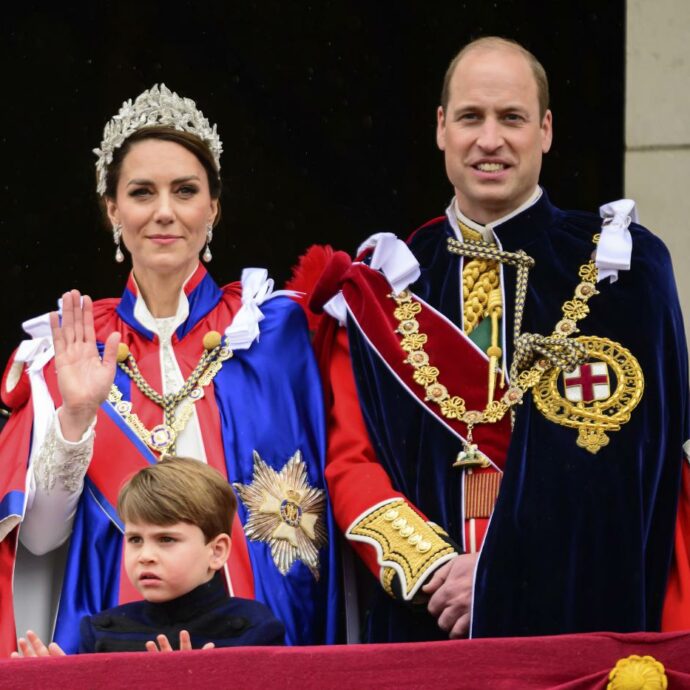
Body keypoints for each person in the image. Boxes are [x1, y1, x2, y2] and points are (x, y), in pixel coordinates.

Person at [307, 37, 689, 641]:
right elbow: (352, 462)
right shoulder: (381, 289)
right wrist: (435, 573)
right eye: (470, 118)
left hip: (574, 620)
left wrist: (500, 578)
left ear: (545, 129)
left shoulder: (626, 270)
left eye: (511, 117)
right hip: (426, 623)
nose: (490, 140)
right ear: (441, 128)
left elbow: (627, 470)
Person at [0, 84, 339, 656]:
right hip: (113, 640)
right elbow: (37, 544)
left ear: (213, 208)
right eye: (141, 192)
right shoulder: (69, 348)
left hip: (260, 640)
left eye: (185, 191)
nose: (164, 212)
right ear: (113, 209)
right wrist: (77, 417)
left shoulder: (278, 332)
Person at [13, 456, 285, 655]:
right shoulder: (101, 632)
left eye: (166, 539)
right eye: (135, 539)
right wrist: (63, 683)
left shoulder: (254, 630)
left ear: (216, 551)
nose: (145, 555)